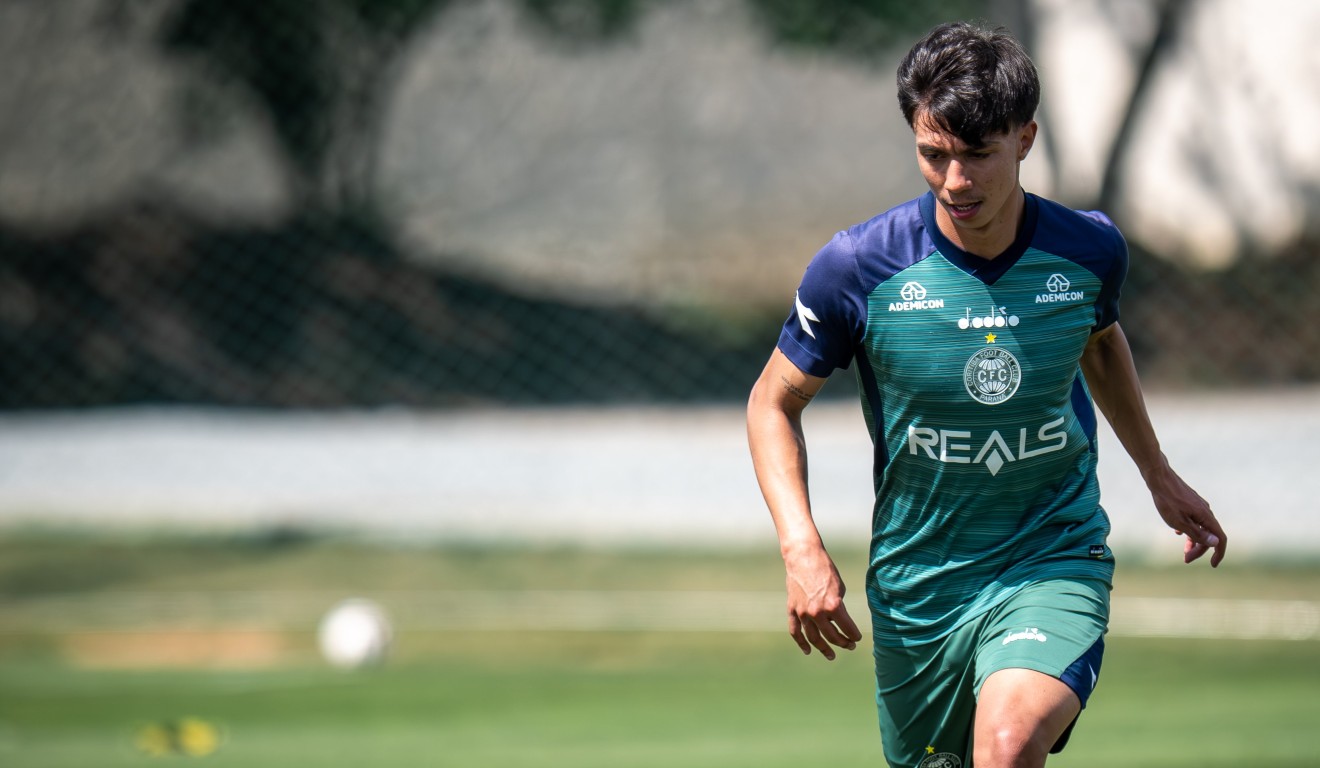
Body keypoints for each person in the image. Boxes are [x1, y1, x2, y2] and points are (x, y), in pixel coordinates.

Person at [746, 20, 1227, 768]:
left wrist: (1157, 473)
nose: (955, 182)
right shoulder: (858, 270)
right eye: (933, 156)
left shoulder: (1088, 252)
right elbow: (771, 404)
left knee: (1004, 747)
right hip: (921, 584)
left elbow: (1099, 344)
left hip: (1051, 554)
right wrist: (801, 547)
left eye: (978, 155)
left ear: (1025, 139)